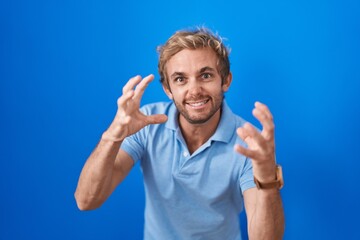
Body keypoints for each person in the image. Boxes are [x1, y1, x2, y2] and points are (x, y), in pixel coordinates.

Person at [75, 27, 285, 240]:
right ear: (168, 89)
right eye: (180, 79)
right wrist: (113, 135)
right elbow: (86, 201)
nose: (194, 91)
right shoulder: (146, 122)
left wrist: (267, 179)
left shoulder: (250, 144)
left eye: (205, 75)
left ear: (226, 81)